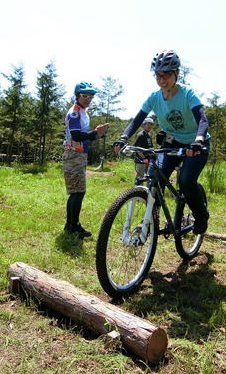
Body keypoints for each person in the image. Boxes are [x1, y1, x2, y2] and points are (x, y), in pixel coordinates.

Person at [114, 49, 210, 235]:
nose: (162, 80)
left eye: (167, 75)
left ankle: (201, 215)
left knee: (186, 181)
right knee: (154, 180)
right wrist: (123, 138)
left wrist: (198, 141)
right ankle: (151, 219)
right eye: (158, 76)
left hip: (195, 146)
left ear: (176, 74)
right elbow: (137, 120)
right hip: (172, 144)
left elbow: (203, 119)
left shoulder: (188, 94)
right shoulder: (154, 98)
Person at [62, 82, 110, 239]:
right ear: (77, 95)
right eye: (84, 96)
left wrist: (99, 134)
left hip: (79, 154)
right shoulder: (75, 112)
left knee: (76, 192)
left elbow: (86, 136)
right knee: (78, 192)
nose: (88, 99)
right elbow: (76, 135)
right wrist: (94, 133)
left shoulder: (83, 112)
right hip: (73, 154)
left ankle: (70, 225)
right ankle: (73, 226)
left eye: (91, 96)